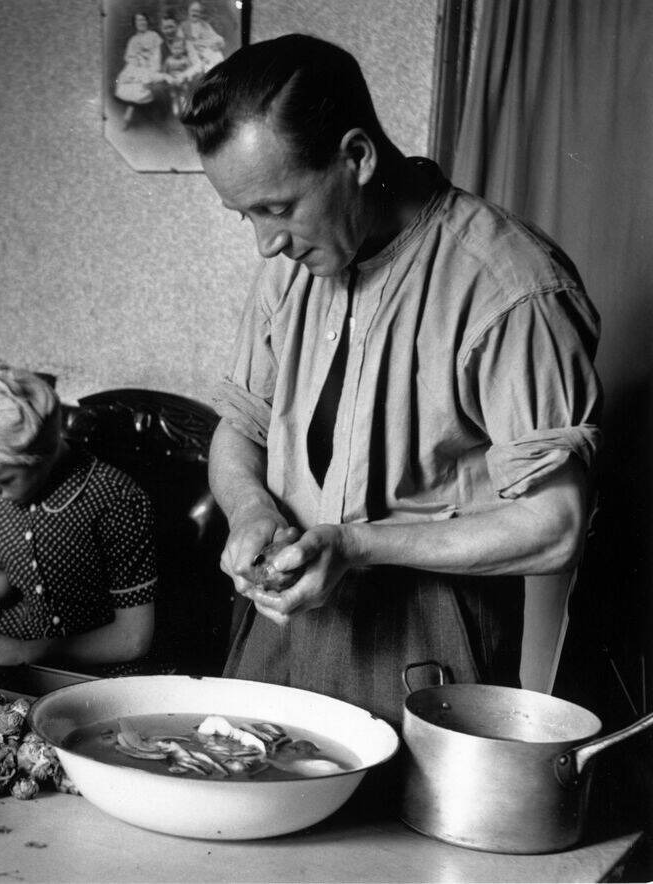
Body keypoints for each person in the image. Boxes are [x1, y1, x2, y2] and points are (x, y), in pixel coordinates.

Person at [179, 35, 602, 725]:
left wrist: (354, 545)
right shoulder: (292, 265)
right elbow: (241, 429)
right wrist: (252, 509)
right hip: (274, 645)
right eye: (246, 214)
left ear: (357, 157)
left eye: (279, 208)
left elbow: (555, 527)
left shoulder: (511, 288)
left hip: (424, 664)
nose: (265, 243)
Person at [0, 359, 156, 672]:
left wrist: (25, 651)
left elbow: (132, 638)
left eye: (4, 480)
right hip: (17, 670)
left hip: (94, 680)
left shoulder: (116, 499)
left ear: (42, 456)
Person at [114, 12, 165, 129]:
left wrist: (150, 64)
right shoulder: (133, 39)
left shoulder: (154, 35)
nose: (141, 23)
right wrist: (135, 60)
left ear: (147, 22)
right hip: (136, 65)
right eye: (138, 21)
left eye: (143, 20)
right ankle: (129, 112)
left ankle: (129, 114)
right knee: (125, 78)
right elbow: (129, 56)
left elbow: (157, 55)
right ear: (135, 24)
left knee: (142, 82)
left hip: (150, 65)